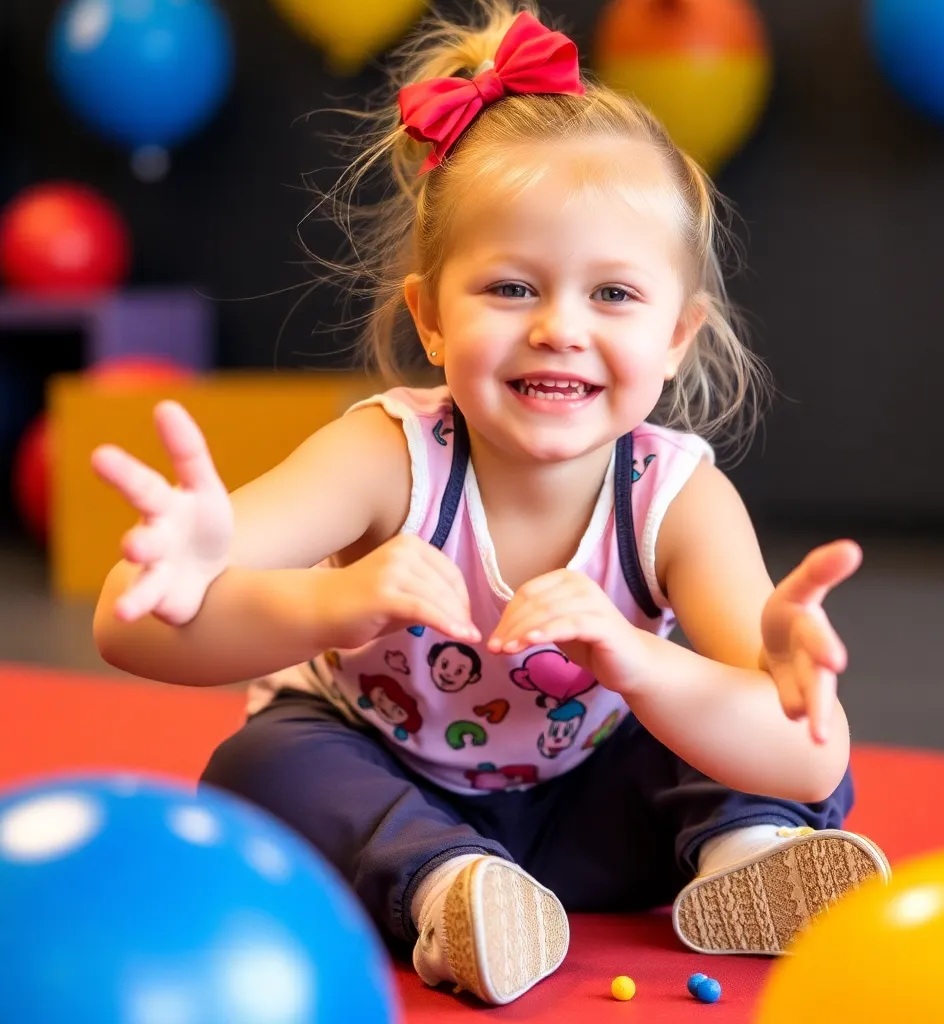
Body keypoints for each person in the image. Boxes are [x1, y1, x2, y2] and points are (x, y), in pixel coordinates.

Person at [91, 1, 889, 1007]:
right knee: (263, 765)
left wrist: (648, 664)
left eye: (613, 295)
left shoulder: (678, 496)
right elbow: (129, 625)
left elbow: (806, 747)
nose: (559, 328)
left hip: (599, 818)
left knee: (768, 764)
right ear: (429, 316)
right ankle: (453, 891)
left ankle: (744, 856)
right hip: (392, 789)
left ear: (678, 336)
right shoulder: (384, 458)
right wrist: (318, 606)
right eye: (512, 288)